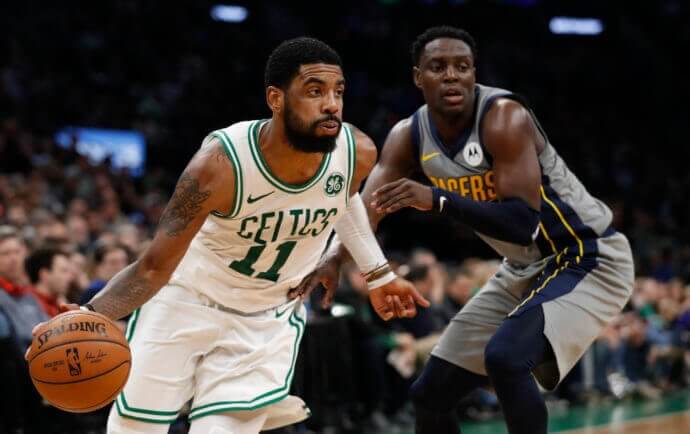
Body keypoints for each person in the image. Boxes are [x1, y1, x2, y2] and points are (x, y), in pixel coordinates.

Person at [28, 37, 428, 434]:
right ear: (275, 98)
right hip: (187, 300)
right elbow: (152, 266)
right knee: (135, 429)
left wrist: (378, 273)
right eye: (314, 91)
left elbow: (345, 198)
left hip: (264, 319)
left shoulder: (356, 150)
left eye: (338, 91)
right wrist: (90, 316)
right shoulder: (220, 166)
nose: (332, 104)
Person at [304, 26, 634, 434]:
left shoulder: (504, 118)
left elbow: (522, 224)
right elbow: (366, 210)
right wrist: (334, 257)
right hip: (521, 268)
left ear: (474, 73)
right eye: (437, 67)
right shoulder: (407, 135)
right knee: (429, 396)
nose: (451, 75)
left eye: (462, 67)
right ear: (417, 77)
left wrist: (438, 198)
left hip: (587, 256)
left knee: (507, 358)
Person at [25, 248, 73, 317]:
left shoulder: (59, 302)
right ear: (45, 274)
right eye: (63, 271)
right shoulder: (29, 306)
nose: (70, 277)